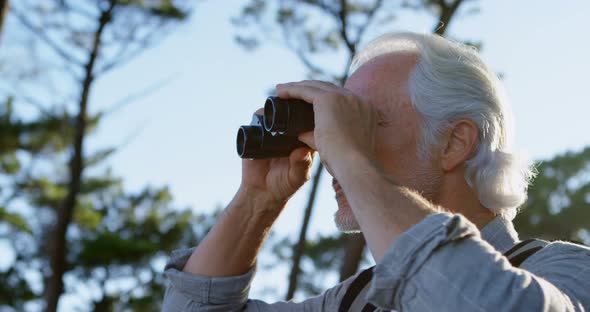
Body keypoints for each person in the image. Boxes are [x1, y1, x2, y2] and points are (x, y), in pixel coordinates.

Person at [162, 32, 590, 311]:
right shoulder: (352, 301)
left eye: (363, 123)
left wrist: (352, 158)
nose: (331, 147)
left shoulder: (567, 271)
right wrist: (257, 200)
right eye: (337, 126)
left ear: (454, 143)